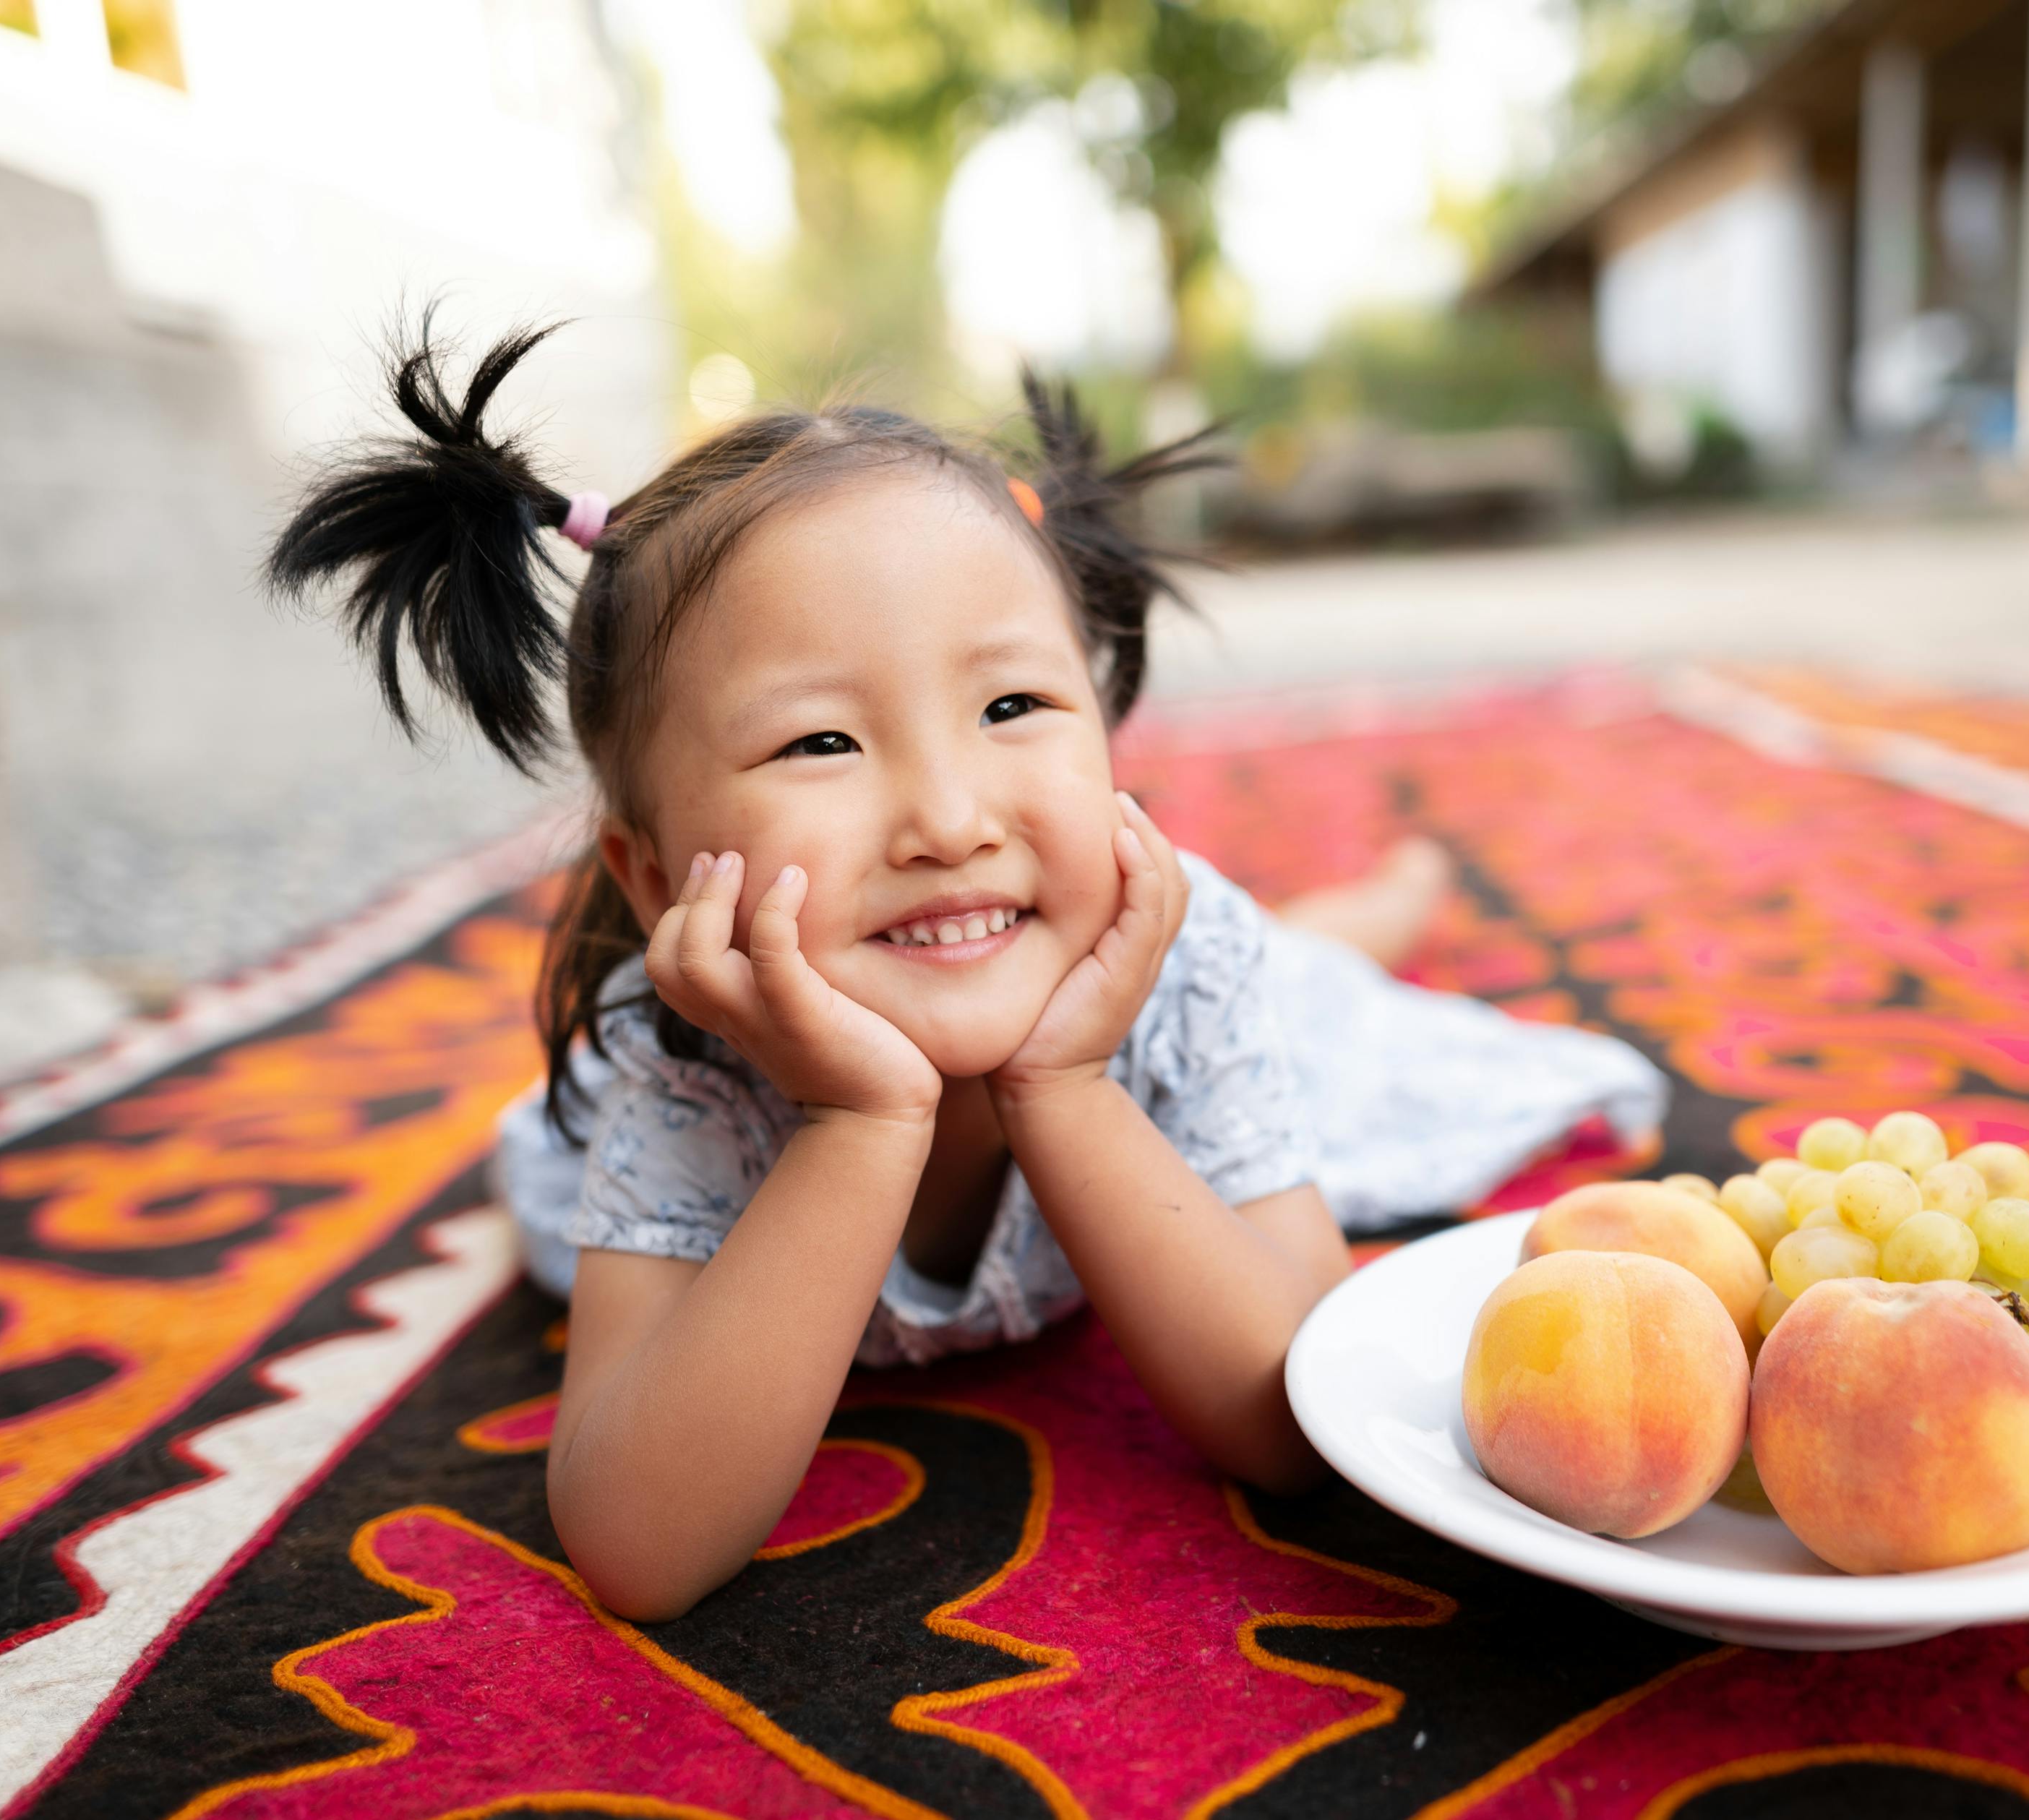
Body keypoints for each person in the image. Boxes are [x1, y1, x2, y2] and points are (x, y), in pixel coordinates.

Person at [270, 322, 1666, 1621]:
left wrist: (1066, 1083)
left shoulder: (1178, 965)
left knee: (1311, 981)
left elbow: (1289, 1414)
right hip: (807, 1067)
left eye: (1012, 707)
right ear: (652, 878)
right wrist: (859, 1121)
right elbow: (639, 1546)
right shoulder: (680, 1054)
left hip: (1212, 989)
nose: (948, 819)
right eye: (820, 743)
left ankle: (1384, 900)